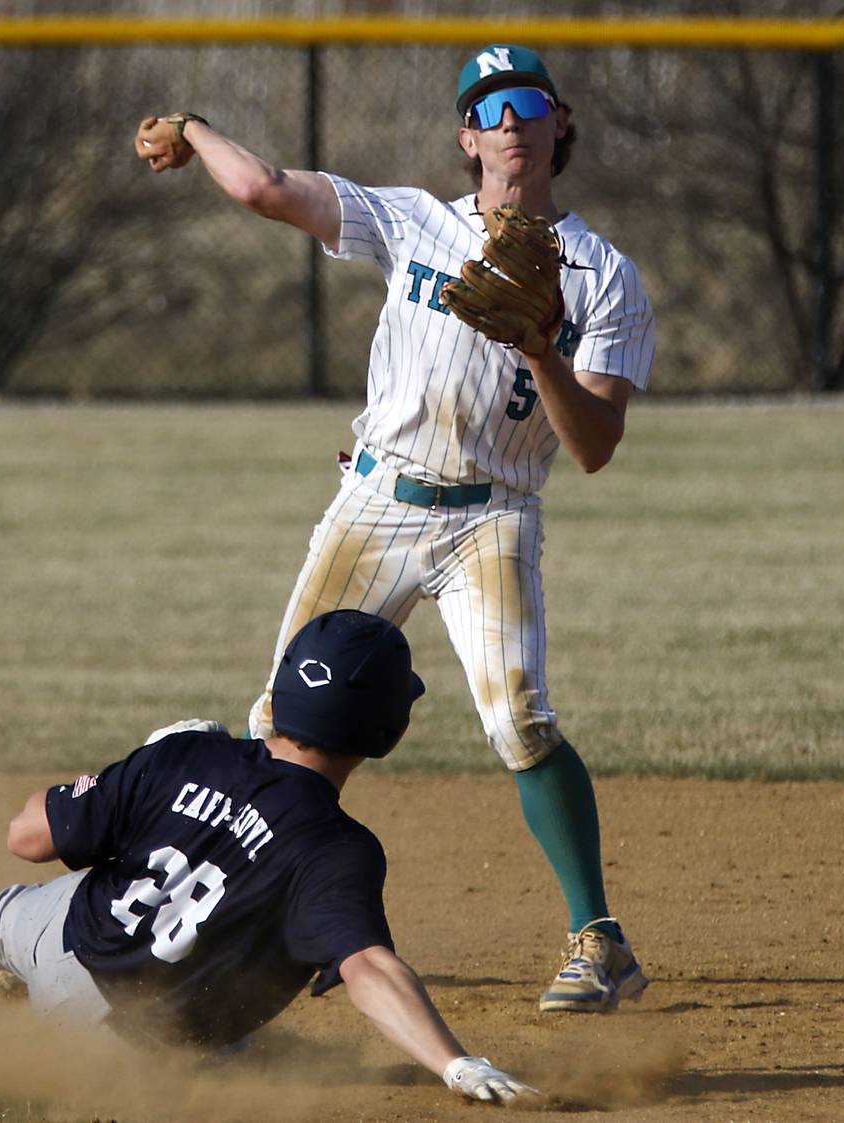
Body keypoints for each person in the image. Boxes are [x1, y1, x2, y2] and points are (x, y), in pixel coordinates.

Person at [135, 44, 655, 1013]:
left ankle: (599, 939)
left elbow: (593, 446)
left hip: (491, 519)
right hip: (375, 504)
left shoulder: (604, 276)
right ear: (467, 136)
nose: (509, 120)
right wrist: (195, 125)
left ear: (559, 125)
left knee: (519, 718)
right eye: (488, 107)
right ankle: (254, 921)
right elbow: (263, 190)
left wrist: (540, 346)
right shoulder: (417, 222)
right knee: (279, 726)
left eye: (527, 102)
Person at [0, 610, 540, 1106]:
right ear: (385, 732)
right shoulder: (336, 849)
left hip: (62, 940)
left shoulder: (187, 754)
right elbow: (366, 968)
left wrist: (117, 773)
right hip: (137, 1048)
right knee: (251, 1065)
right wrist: (453, 1060)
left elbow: (27, 836)